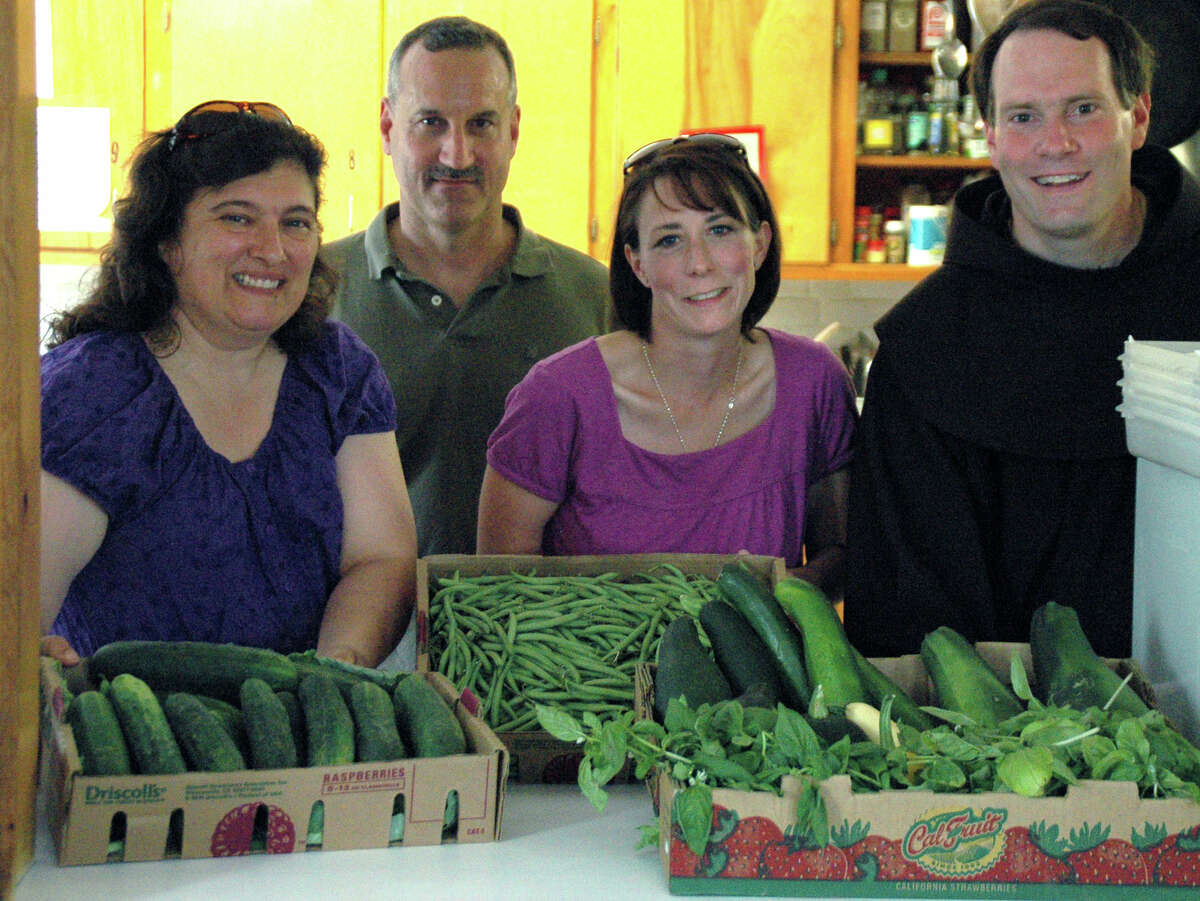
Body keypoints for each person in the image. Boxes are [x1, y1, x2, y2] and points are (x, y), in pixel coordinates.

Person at [845, 0, 1200, 659]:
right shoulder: (923, 355)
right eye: (1023, 116)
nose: (1054, 142)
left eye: (1084, 108)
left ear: (1139, 116)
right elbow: (913, 635)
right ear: (991, 137)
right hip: (1001, 744)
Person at [40, 101, 417, 668]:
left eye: (295, 221)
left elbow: (382, 559)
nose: (272, 249)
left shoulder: (338, 371)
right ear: (167, 244)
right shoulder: (89, 391)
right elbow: (20, 601)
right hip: (124, 738)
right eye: (236, 217)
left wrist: (330, 678)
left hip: (305, 733)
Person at [476, 135, 857, 597]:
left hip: (759, 669)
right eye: (670, 240)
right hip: (588, 670)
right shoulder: (557, 397)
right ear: (637, 264)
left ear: (759, 243)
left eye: (720, 230)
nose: (699, 263)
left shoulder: (814, 382)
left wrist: (767, 594)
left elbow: (843, 557)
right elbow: (498, 593)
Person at [322, 16, 609, 562]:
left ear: (514, 131)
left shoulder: (597, 299)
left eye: (481, 123)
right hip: (351, 635)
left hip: (549, 635)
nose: (457, 154)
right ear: (387, 128)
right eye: (431, 122)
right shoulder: (308, 295)